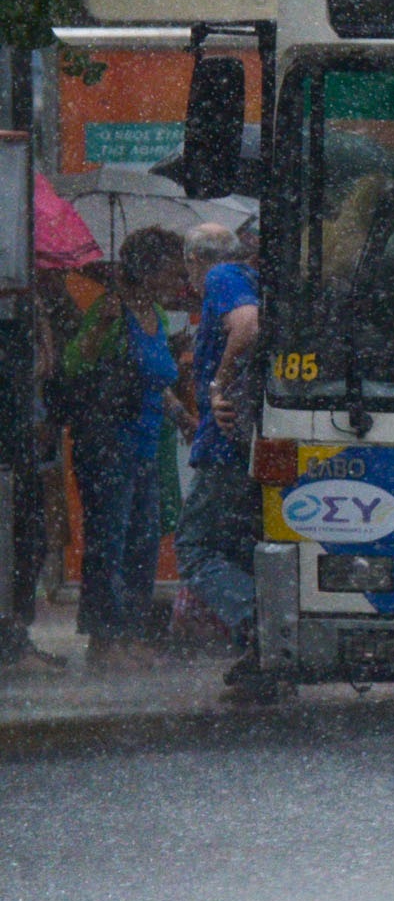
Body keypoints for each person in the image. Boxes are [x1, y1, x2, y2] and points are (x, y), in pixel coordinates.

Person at [55, 228, 192, 665]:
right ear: (148, 269)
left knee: (142, 542)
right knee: (108, 541)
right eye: (173, 270)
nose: (180, 280)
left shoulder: (158, 315)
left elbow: (156, 382)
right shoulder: (110, 310)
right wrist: (102, 327)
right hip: (108, 442)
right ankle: (103, 640)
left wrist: (182, 417)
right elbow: (75, 365)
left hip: (147, 444)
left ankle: (129, 633)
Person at [177, 223, 261, 656]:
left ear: (194, 260)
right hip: (248, 442)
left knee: (194, 548)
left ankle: (257, 621)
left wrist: (218, 384)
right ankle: (258, 659)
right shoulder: (251, 277)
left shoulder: (220, 277)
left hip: (225, 443)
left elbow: (246, 325)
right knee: (241, 548)